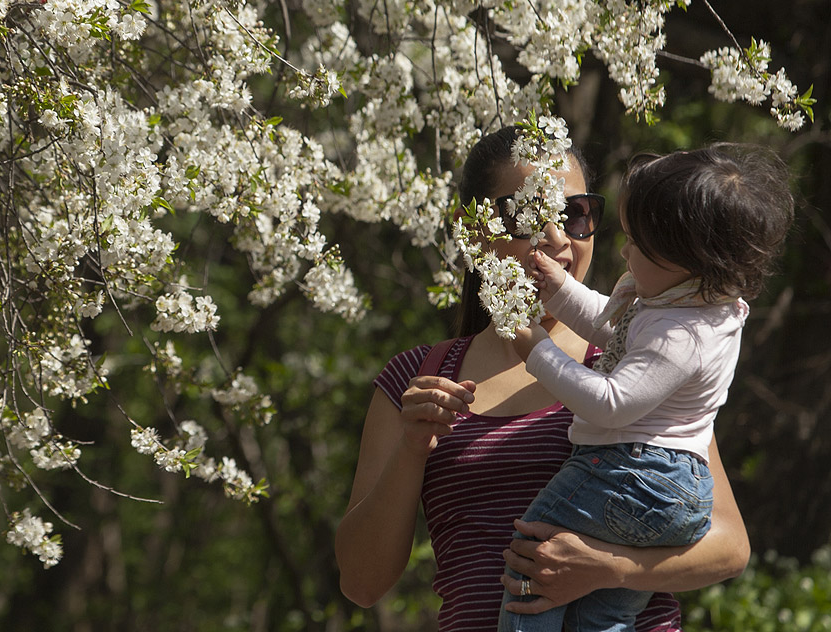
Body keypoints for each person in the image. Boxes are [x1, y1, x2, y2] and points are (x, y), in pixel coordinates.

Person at [335, 126, 752, 632]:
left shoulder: (640, 354)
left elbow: (728, 547)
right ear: (473, 231)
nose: (555, 238)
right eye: (524, 215)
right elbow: (361, 583)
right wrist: (411, 448)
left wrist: (610, 569)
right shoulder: (417, 379)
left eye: (572, 213)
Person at [498, 144, 794, 632]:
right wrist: (557, 287)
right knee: (604, 611)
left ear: (689, 257)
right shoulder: (687, 301)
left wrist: (536, 350)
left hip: (632, 474)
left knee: (533, 563)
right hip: (670, 490)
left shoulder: (683, 333)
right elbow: (613, 330)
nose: (624, 250)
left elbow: (610, 402)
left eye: (639, 244)